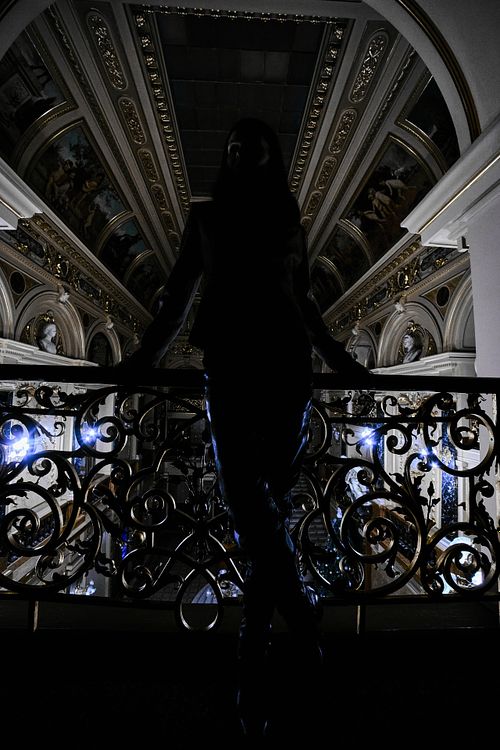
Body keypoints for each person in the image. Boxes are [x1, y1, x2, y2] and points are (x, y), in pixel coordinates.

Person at [120, 117, 369, 737]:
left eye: (250, 148)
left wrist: (339, 360)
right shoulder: (205, 220)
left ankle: (250, 668)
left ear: (269, 158)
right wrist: (144, 358)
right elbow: (179, 294)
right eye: (231, 147)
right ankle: (304, 630)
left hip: (287, 369)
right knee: (248, 503)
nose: (238, 154)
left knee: (269, 512)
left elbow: (304, 301)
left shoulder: (290, 224)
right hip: (228, 366)